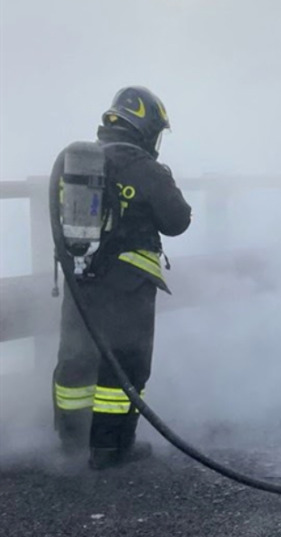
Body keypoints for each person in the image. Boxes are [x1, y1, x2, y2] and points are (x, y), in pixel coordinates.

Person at [52, 86, 192, 470]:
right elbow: (177, 221)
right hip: (127, 286)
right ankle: (109, 449)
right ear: (146, 127)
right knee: (124, 365)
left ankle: (70, 441)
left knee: (76, 361)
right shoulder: (142, 166)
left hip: (80, 280)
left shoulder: (78, 162)